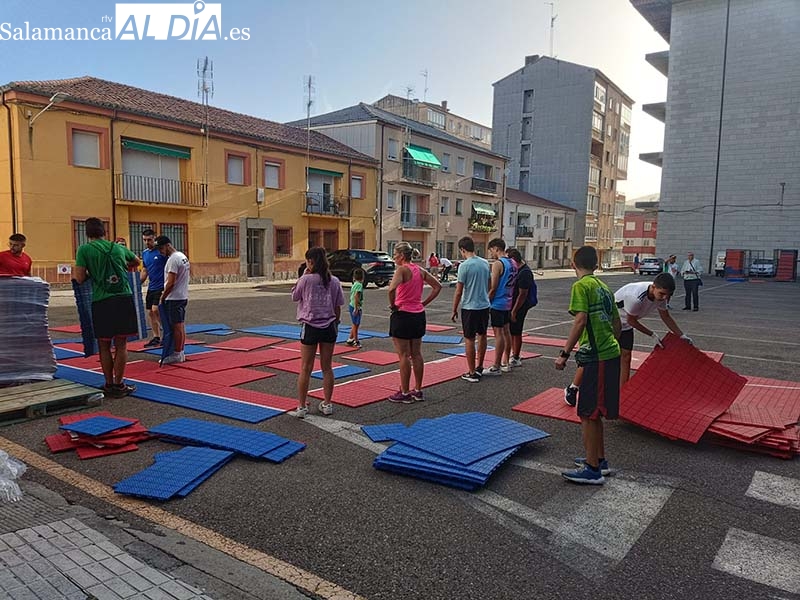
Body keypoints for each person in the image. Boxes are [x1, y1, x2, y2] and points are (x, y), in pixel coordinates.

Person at [555, 245, 621, 485]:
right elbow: (616, 322)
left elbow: (580, 320)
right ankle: (598, 460)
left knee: (587, 413)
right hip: (608, 353)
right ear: (596, 264)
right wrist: (612, 344)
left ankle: (592, 469)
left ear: (574, 263)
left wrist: (564, 353)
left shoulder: (581, 286)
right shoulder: (604, 287)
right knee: (595, 414)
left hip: (597, 356)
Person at [74, 218, 140, 398]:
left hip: (101, 301)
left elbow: (79, 278)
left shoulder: (84, 250)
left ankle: (109, 384)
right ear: (104, 231)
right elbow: (136, 261)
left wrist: (93, 272)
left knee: (104, 345)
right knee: (121, 344)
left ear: (87, 233)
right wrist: (122, 267)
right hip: (123, 299)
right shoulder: (118, 247)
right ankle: (119, 385)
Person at [290, 247, 345, 418]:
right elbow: (338, 306)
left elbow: (294, 296)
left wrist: (304, 275)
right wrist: (335, 323)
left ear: (311, 262)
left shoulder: (305, 279)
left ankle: (301, 406)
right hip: (329, 326)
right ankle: (327, 404)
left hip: (310, 326)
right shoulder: (334, 281)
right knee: (327, 367)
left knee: (305, 368)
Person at [613, 273, 693, 385]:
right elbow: (632, 320)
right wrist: (652, 334)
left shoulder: (661, 297)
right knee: (609, 357)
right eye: (662, 294)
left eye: (668, 295)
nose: (665, 298)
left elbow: (666, 316)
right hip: (611, 322)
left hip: (626, 324)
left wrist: (681, 335)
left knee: (626, 356)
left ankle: (623, 388)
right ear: (653, 287)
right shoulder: (636, 297)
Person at [387, 242, 442, 403]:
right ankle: (417, 390)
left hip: (403, 314)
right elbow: (437, 287)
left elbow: (391, 289)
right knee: (416, 354)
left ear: (402, 256)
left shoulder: (402, 270)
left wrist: (393, 305)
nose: (394, 257)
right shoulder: (420, 270)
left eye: (395, 254)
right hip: (418, 315)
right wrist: (423, 303)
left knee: (403, 355)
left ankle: (404, 393)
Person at [451, 236, 490, 383]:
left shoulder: (464, 266)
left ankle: (472, 372)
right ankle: (480, 366)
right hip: (484, 305)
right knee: (483, 335)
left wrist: (454, 308)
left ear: (462, 249)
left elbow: (459, 290)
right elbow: (490, 284)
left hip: (469, 307)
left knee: (469, 339)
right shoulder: (485, 263)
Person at [156, 236, 190, 364]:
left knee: (176, 326)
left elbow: (171, 282)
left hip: (174, 297)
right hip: (181, 295)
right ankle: (179, 351)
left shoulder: (173, 259)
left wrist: (163, 297)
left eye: (161, 248)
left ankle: (177, 353)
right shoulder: (182, 256)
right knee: (179, 324)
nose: (160, 251)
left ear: (168, 245)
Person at [486, 238, 517, 375]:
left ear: (496, 248)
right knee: (506, 332)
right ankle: (506, 361)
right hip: (508, 301)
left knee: (498, 334)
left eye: (491, 250)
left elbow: (493, 287)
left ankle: (496, 366)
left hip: (498, 302)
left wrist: (487, 301)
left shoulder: (498, 264)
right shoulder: (513, 262)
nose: (491, 253)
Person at [507, 248, 535, 368]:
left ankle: (516, 356)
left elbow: (522, 294)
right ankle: (514, 354)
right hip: (514, 303)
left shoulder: (525, 273)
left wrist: (514, 311)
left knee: (516, 331)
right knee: (512, 330)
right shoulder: (518, 270)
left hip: (520, 305)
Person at [140, 229, 166, 348]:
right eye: (145, 240)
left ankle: (168, 333)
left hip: (162, 286)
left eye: (149, 240)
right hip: (152, 286)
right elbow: (145, 270)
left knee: (156, 310)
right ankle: (156, 337)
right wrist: (138, 283)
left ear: (154, 238)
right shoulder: (145, 253)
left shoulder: (161, 252)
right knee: (150, 312)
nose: (147, 242)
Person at [346, 267, 365, 348]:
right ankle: (356, 340)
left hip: (352, 305)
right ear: (363, 277)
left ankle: (350, 339)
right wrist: (356, 308)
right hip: (355, 306)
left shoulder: (354, 285)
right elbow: (356, 296)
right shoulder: (359, 285)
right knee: (356, 324)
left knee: (355, 323)